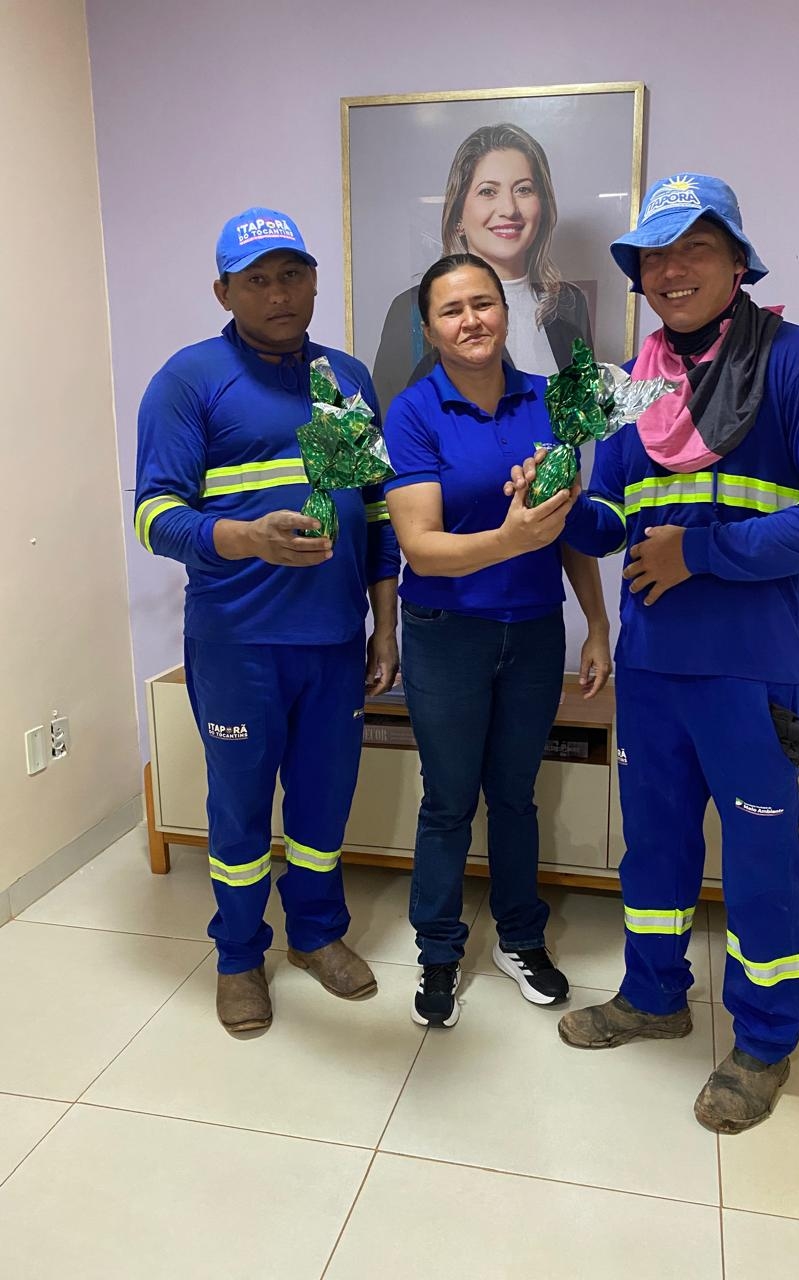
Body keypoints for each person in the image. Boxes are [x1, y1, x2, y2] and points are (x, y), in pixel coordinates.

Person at [544, 173, 799, 1131]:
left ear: (738, 261)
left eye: (696, 247)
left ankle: (764, 1041)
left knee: (763, 861)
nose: (673, 269)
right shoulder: (633, 385)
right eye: (655, 255)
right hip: (652, 669)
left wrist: (700, 553)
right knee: (652, 846)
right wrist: (560, 504)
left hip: (749, 669)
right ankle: (653, 996)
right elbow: (612, 519)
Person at [134, 207, 400, 1034]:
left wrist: (385, 626)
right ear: (224, 291)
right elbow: (153, 516)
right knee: (241, 806)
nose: (278, 293)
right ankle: (239, 955)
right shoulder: (188, 380)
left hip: (335, 641)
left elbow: (378, 514)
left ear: (315, 281)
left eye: (291, 275)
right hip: (238, 643)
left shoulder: (348, 377)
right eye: (257, 280)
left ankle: (316, 935)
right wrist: (246, 537)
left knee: (322, 803)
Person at [382, 252, 611, 1029]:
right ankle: (439, 951)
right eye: (451, 310)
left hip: (535, 630)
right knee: (449, 801)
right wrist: (512, 539)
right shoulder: (413, 413)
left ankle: (520, 937)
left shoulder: (549, 402)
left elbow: (566, 525)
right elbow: (421, 549)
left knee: (515, 797)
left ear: (506, 312)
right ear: (429, 329)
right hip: (447, 633)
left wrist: (596, 622)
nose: (471, 320)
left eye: (483, 303)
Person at [373, 122, 592, 411]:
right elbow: (392, 422)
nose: (509, 209)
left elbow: (586, 414)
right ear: (458, 216)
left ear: (543, 206)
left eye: (523, 189)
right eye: (488, 191)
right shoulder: (411, 309)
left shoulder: (568, 303)